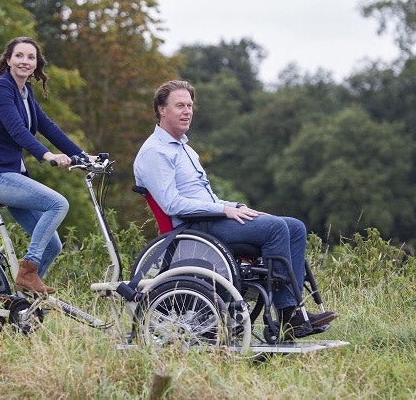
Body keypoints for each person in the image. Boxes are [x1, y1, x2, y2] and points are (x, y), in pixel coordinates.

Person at [133, 80, 337, 339]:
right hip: (192, 229)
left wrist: (236, 207)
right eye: (179, 106)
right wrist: (224, 212)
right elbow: (172, 204)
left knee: (294, 226)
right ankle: (286, 313)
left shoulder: (186, 149)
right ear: (162, 109)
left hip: (209, 220)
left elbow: (208, 197)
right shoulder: (155, 152)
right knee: (275, 228)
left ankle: (293, 313)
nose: (187, 111)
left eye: (190, 105)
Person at [0, 36, 90, 295]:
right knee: (58, 203)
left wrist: (83, 156)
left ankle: (19, 304)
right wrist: (48, 156)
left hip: (9, 176)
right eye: (20, 56)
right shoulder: (1, 88)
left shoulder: (24, 91)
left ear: (37, 64)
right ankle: (27, 273)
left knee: (53, 246)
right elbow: (17, 131)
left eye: (31, 57)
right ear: (9, 60)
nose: (25, 61)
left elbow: (48, 127)